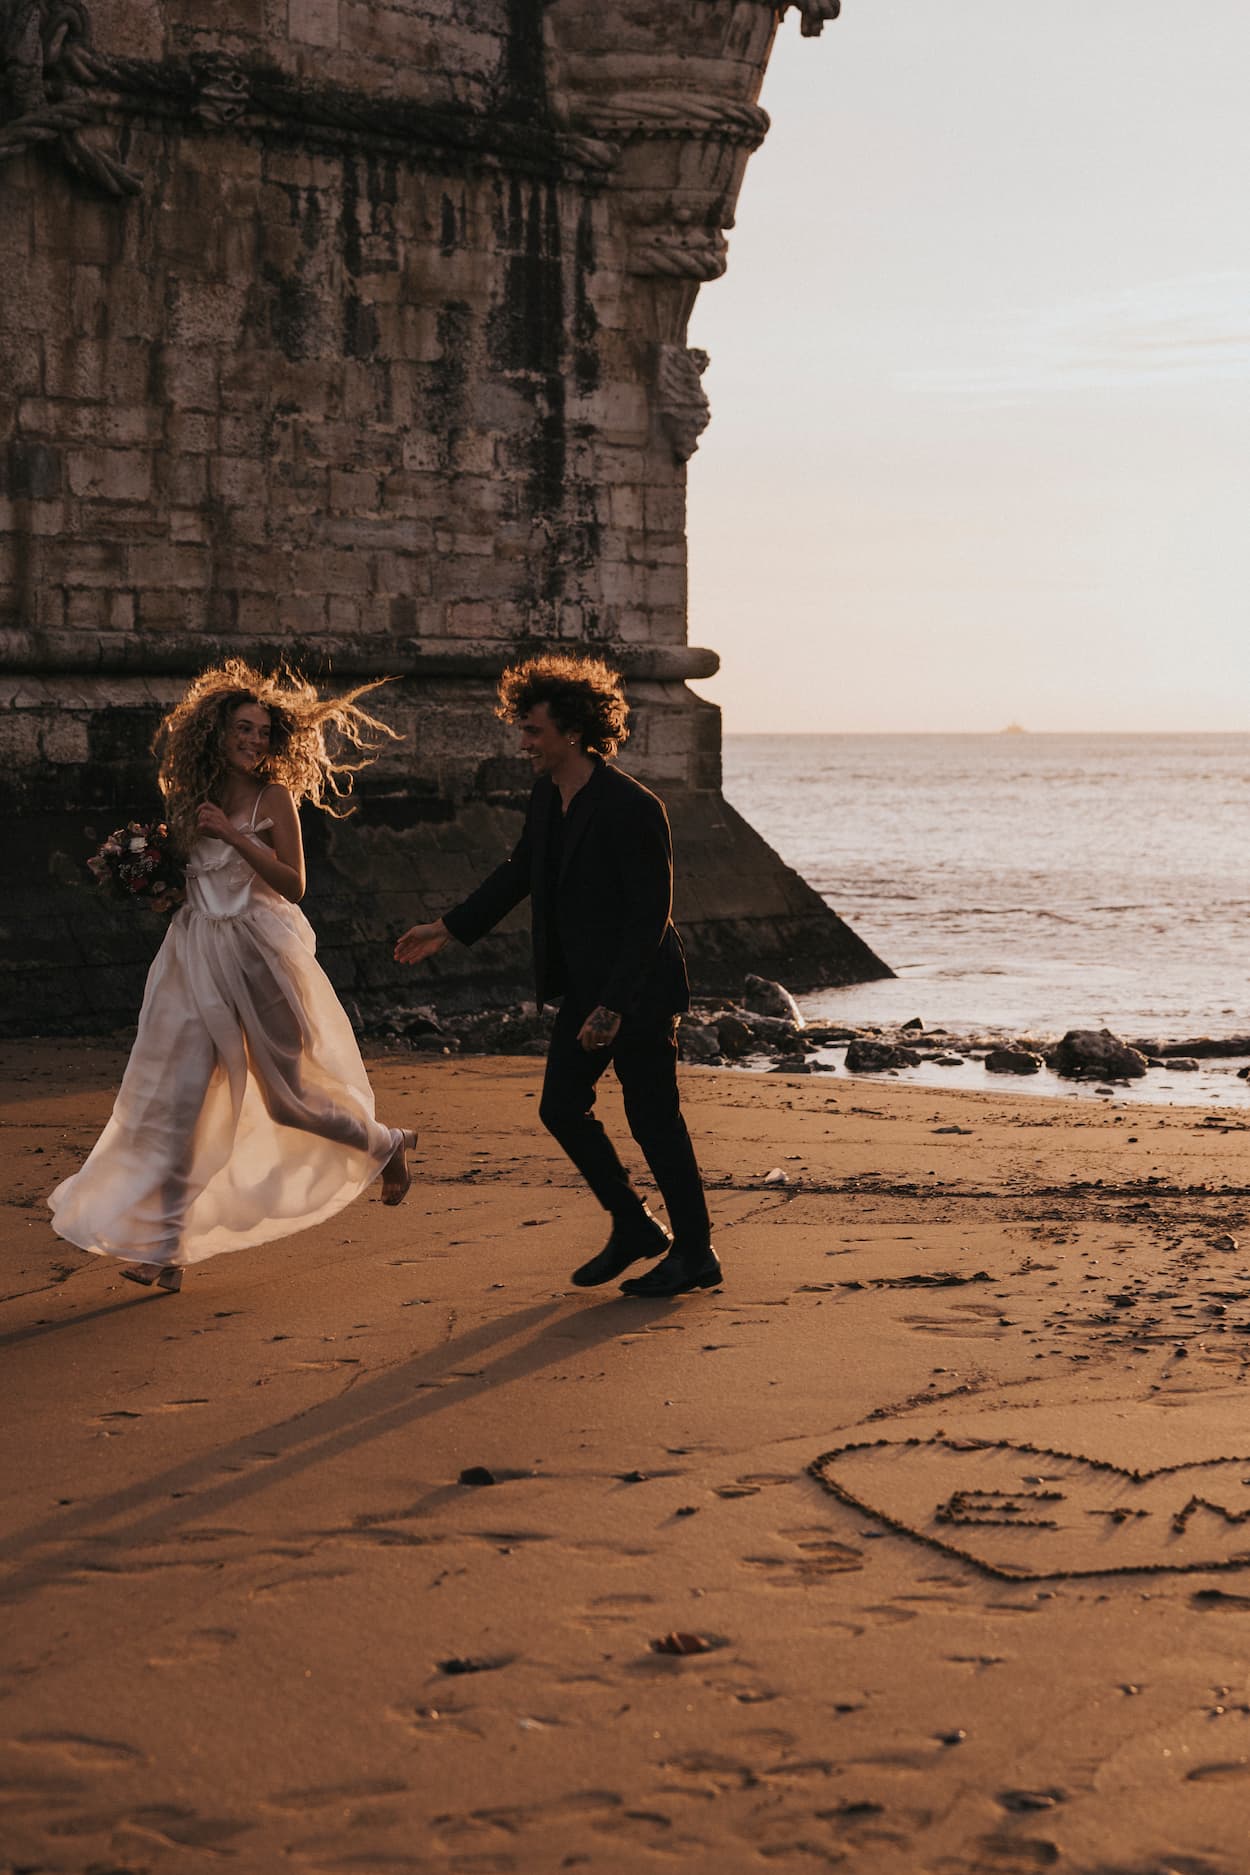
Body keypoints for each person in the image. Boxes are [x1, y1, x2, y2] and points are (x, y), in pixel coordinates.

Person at [49, 661, 416, 1292]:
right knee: (178, 1103)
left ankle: (383, 1143)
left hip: (260, 954)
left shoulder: (274, 797)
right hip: (193, 955)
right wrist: (143, 876)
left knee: (288, 1100)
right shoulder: (191, 796)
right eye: (243, 729)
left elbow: (294, 885)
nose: (254, 740)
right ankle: (165, 1252)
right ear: (215, 734)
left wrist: (235, 837)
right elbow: (190, 879)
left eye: (265, 732)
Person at [394, 653, 720, 1298]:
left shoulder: (633, 806)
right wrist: (449, 926)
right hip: (586, 986)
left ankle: (696, 1252)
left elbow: (650, 914)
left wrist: (616, 1006)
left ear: (571, 730)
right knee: (562, 1108)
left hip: (638, 990)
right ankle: (632, 1224)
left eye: (533, 730)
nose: (523, 742)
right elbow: (521, 870)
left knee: (654, 1119)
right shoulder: (548, 794)